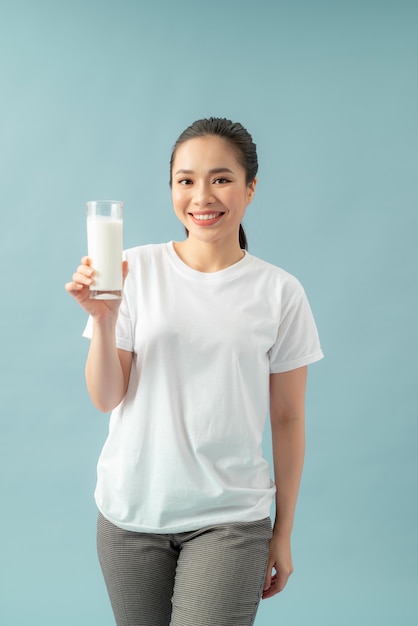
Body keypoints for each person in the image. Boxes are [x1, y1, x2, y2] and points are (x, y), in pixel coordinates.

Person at [65, 117, 323, 626]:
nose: (202, 196)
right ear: (171, 189)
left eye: (221, 178)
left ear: (250, 188)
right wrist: (104, 316)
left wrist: (284, 531)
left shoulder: (279, 292)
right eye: (186, 180)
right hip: (129, 515)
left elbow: (289, 418)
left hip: (230, 519)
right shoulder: (130, 270)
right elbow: (105, 396)